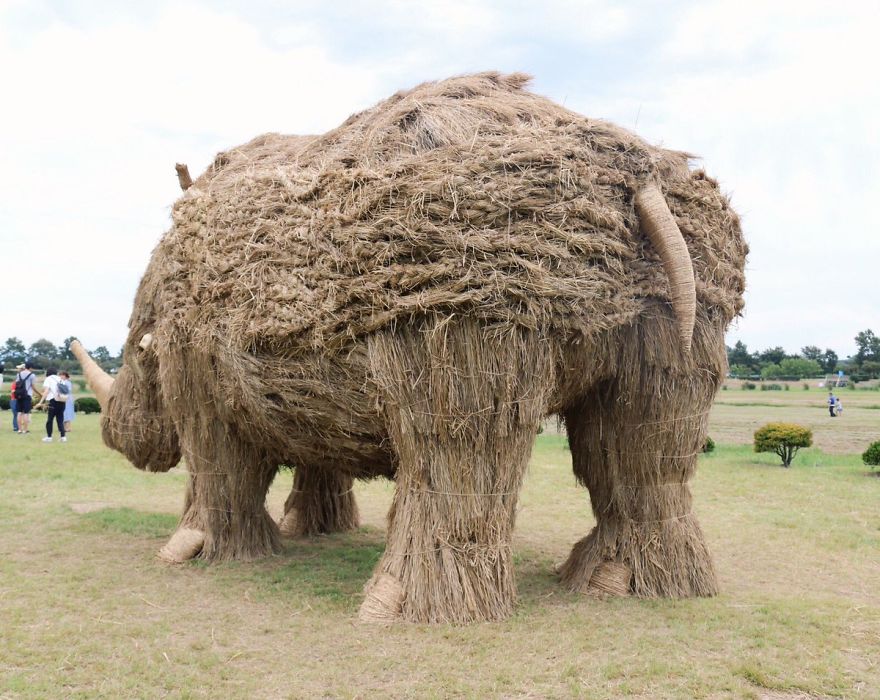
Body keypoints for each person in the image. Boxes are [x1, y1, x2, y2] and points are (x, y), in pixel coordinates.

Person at [34, 367, 66, 443]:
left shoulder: (48, 379)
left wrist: (41, 402)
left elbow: (46, 391)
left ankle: (49, 437)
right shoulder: (60, 379)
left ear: (48, 372)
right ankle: (63, 437)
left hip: (53, 401)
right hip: (62, 401)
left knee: (50, 420)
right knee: (60, 420)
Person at [14, 362, 38, 434]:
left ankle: (19, 429)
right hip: (27, 395)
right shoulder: (32, 375)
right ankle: (25, 430)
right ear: (30, 367)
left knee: (19, 412)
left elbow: (17, 384)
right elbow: (33, 386)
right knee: (26, 413)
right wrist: (39, 393)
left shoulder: (19, 374)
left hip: (19, 395)